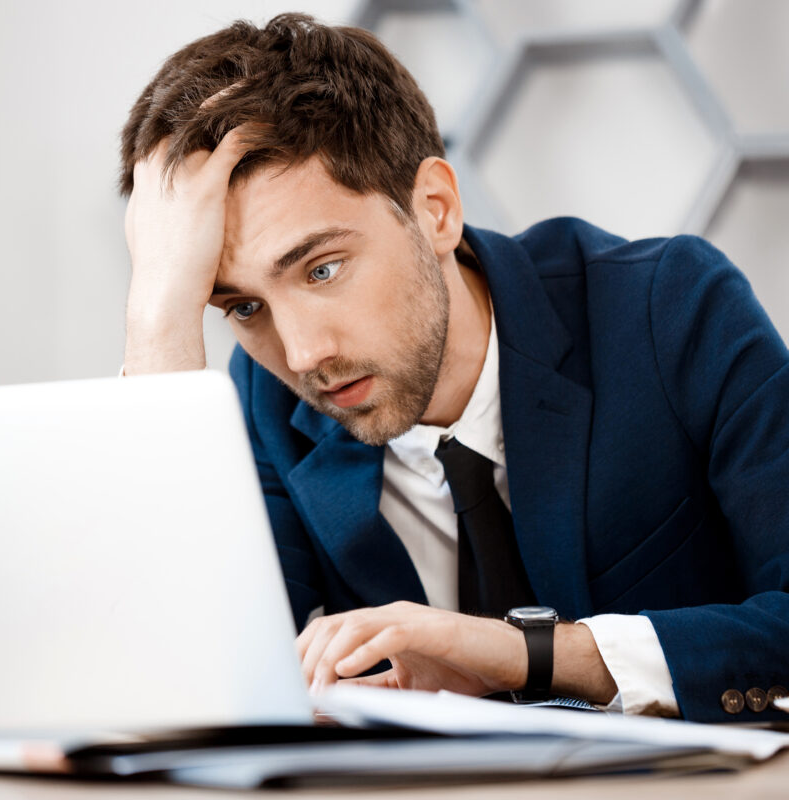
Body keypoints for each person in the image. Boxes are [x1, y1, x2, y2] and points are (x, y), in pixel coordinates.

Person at [120, 14, 789, 723]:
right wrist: (157, 322)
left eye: (322, 269)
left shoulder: (671, 308)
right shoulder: (267, 401)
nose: (303, 355)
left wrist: (521, 653)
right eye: (244, 308)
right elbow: (180, 685)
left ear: (435, 209)